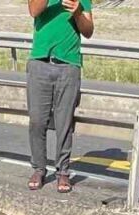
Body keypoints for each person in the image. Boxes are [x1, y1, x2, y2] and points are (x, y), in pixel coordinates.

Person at [26, 0, 92, 193]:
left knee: (64, 123)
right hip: (40, 61)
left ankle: (62, 171)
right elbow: (34, 10)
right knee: (37, 121)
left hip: (68, 64)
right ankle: (39, 168)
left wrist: (78, 12)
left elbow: (88, 31)